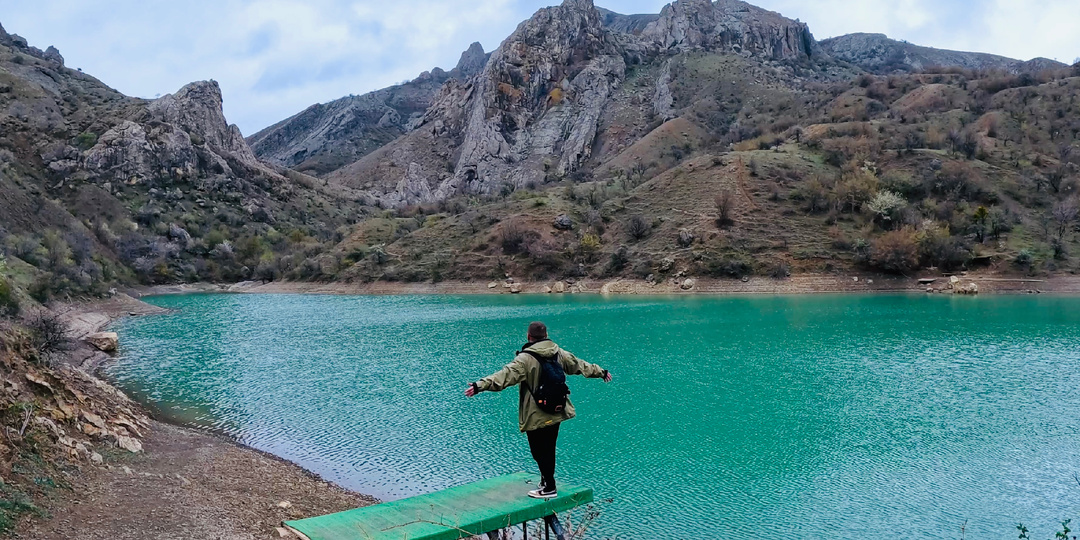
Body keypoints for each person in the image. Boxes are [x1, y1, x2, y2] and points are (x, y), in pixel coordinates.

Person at [465, 321, 612, 499]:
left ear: (529, 337)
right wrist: (601, 372)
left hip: (536, 413)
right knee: (549, 448)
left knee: (538, 451)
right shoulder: (558, 352)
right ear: (546, 335)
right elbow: (580, 365)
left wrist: (480, 385)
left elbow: (504, 376)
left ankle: (549, 487)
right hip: (557, 408)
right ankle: (546, 480)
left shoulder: (525, 359)